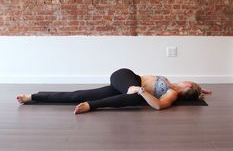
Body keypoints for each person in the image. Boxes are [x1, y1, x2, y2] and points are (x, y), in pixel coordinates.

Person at [17, 68, 212, 114]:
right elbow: (195, 88)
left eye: (190, 83)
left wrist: (142, 91)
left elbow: (159, 106)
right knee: (134, 98)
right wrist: (201, 89)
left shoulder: (174, 93)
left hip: (132, 87)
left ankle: (32, 96)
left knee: (77, 95)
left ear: (188, 87)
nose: (188, 81)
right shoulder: (175, 84)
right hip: (124, 76)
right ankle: (91, 107)